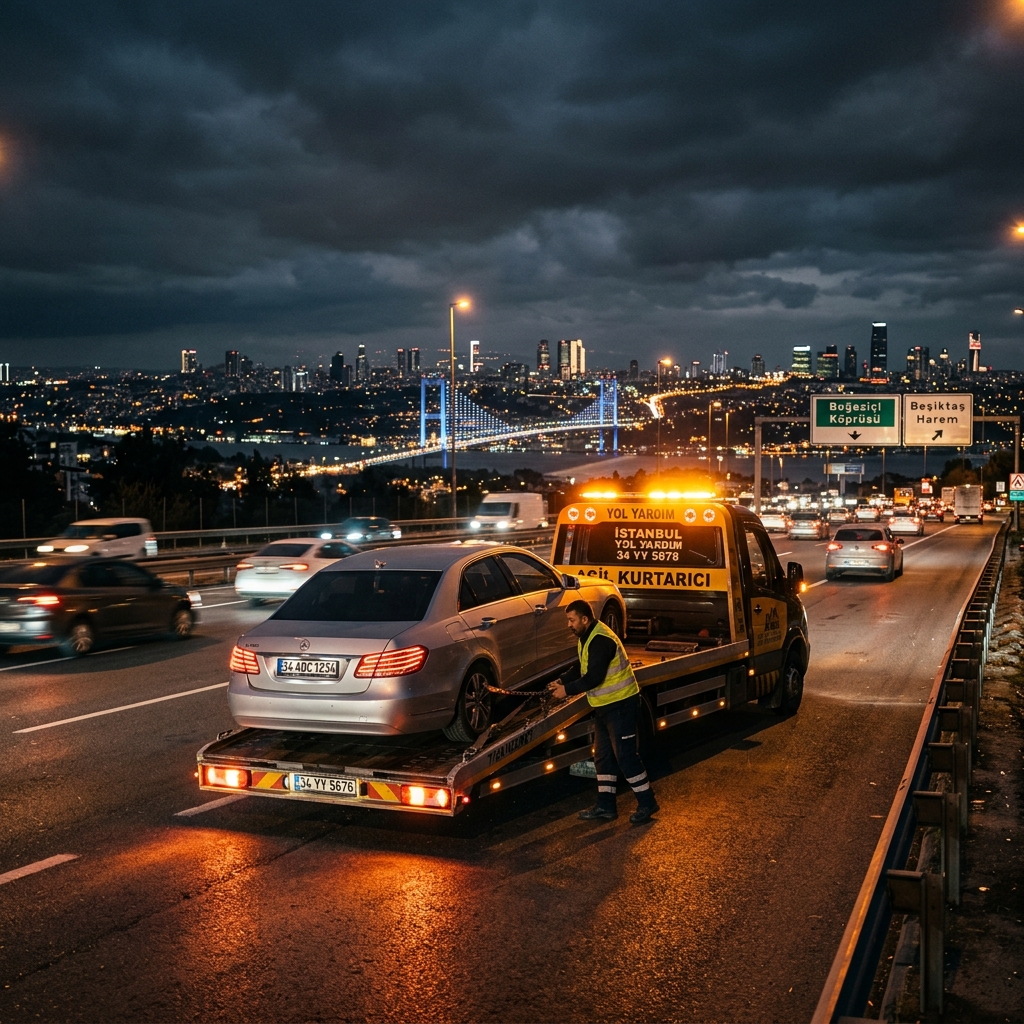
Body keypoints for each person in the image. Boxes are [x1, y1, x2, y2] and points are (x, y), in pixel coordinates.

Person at [549, 599, 659, 825]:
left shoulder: (601, 640)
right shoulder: (588, 637)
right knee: (603, 758)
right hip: (604, 707)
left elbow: (593, 678)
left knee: (626, 757)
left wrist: (566, 690)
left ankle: (647, 802)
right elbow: (582, 667)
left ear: (585, 619)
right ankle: (606, 806)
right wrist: (561, 680)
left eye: (572, 620)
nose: (569, 625)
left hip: (620, 706)